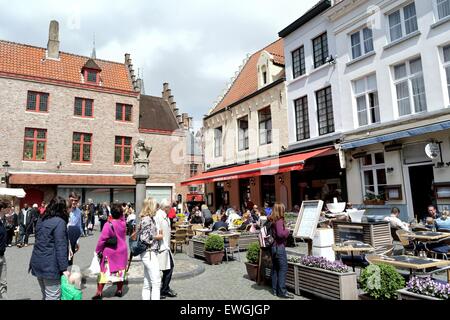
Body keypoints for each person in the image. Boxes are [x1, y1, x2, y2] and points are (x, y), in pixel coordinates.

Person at [29, 197, 70, 300]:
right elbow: (60, 246)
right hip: (50, 266)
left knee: (45, 295)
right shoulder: (60, 222)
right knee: (53, 297)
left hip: (37, 262)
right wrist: (64, 268)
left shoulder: (41, 219)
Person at [92, 203, 128, 300]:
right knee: (120, 271)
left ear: (111, 213)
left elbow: (102, 240)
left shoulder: (108, 224)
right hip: (122, 250)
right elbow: (122, 218)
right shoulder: (123, 223)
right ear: (121, 213)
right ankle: (119, 290)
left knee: (103, 272)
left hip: (110, 252)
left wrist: (97, 250)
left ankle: (99, 292)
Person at [139, 198, 163, 300]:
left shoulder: (147, 218)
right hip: (149, 252)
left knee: (147, 282)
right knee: (156, 282)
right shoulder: (147, 219)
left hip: (148, 252)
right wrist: (157, 237)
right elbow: (144, 238)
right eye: (155, 205)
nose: (156, 208)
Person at [270, 203, 294, 299]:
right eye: (283, 209)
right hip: (279, 247)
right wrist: (287, 230)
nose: (285, 210)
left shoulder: (272, 219)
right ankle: (282, 292)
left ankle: (275, 290)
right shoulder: (279, 220)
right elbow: (280, 234)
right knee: (283, 268)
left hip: (273, 247)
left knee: (275, 268)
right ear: (281, 210)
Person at [156, 199, 177, 299]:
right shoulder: (159, 216)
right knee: (167, 269)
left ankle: (164, 288)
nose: (171, 209)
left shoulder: (166, 217)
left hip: (166, 247)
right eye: (170, 207)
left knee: (168, 268)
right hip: (162, 247)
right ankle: (163, 290)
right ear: (166, 208)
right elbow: (157, 232)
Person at [67, 193, 83, 266]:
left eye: (75, 200)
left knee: (70, 261)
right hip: (63, 239)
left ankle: (68, 275)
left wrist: (77, 241)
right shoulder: (65, 210)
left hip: (72, 239)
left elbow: (79, 226)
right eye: (72, 200)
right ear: (69, 199)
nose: (73, 202)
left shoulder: (79, 212)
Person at [0, 201, 9, 299]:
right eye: (7, 208)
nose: (9, 210)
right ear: (2, 209)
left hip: (2, 255)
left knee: (3, 282)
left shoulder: (2, 220)